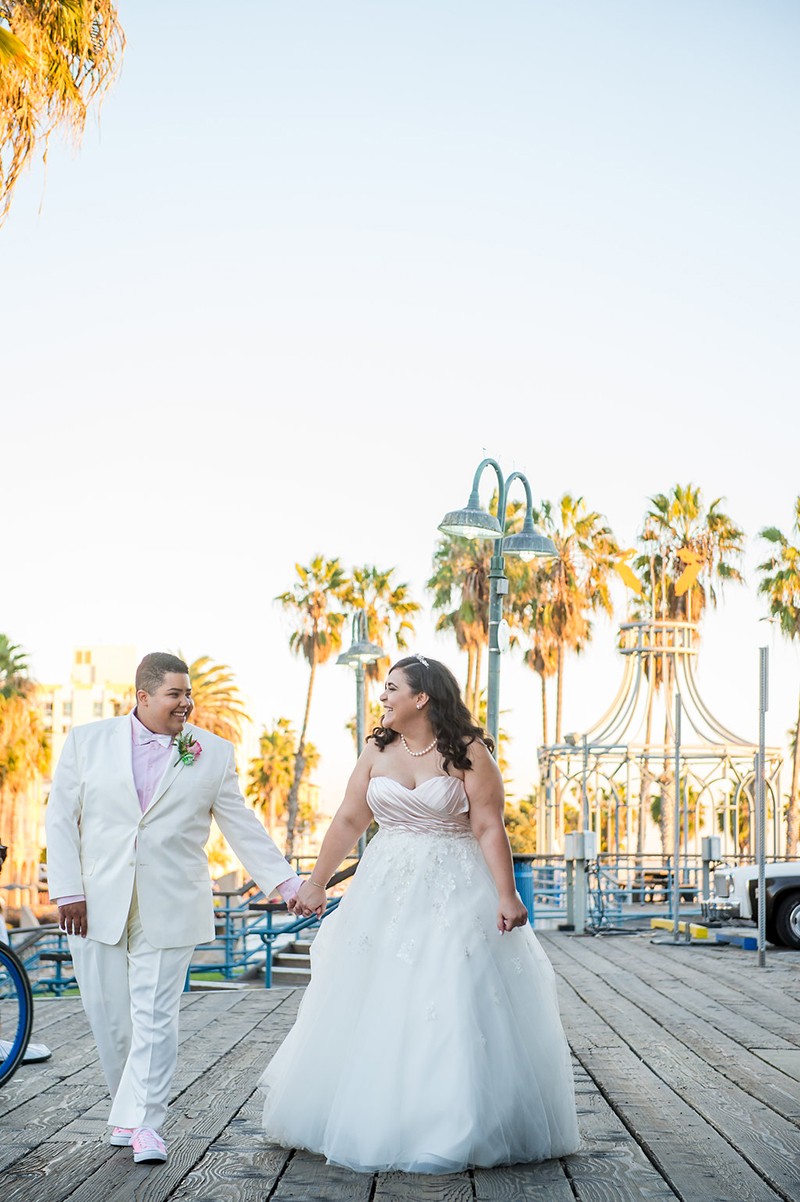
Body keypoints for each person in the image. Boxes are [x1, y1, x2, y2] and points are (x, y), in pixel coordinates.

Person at [261, 653, 580, 1173]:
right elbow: (348, 818)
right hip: (384, 885)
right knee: (377, 989)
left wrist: (507, 894)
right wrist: (316, 882)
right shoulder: (376, 749)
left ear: (421, 698)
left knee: (450, 987)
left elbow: (488, 828)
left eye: (392, 688)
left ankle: (451, 1122)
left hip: (454, 886)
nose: (383, 697)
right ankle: (369, 1115)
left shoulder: (468, 752)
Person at [46, 652, 300, 1165]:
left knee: (156, 1017)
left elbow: (240, 824)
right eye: (175, 694)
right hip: (94, 903)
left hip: (171, 902)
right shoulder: (86, 742)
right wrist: (68, 891)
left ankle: (147, 1125)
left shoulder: (213, 752)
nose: (187, 703)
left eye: (189, 694)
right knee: (109, 1016)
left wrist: (285, 880)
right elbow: (60, 818)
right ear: (142, 697)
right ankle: (128, 1111)